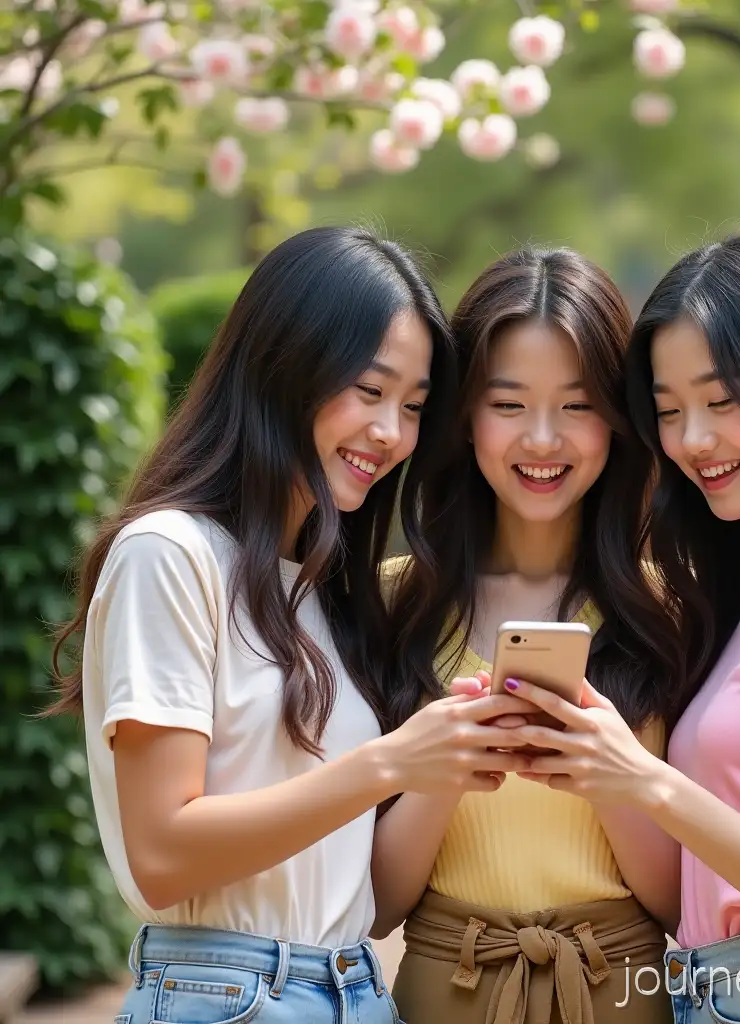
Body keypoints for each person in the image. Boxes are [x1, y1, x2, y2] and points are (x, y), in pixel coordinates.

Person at [371, 245, 740, 1024]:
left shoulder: (685, 607)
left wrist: (630, 779)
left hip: (644, 991)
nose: (542, 438)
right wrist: (446, 764)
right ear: (463, 416)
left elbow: (699, 886)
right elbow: (368, 900)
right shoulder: (392, 602)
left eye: (577, 405)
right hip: (460, 991)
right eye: (507, 404)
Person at [45, 227, 534, 1024]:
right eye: (369, 390)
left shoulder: (323, 590)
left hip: (352, 987)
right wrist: (387, 762)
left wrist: (443, 765)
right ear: (284, 365)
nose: (391, 433)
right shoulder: (169, 553)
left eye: (412, 407)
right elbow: (163, 854)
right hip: (225, 995)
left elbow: (363, 907)